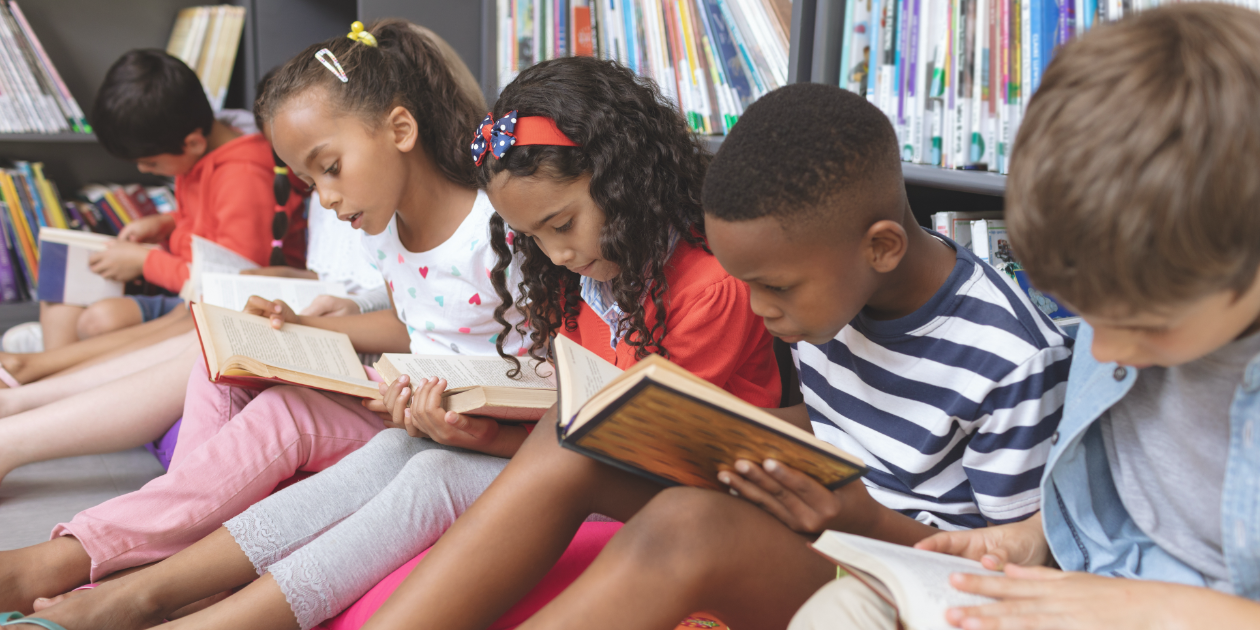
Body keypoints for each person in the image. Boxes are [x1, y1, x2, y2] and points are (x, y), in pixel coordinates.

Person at [0, 54, 784, 630]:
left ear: (623, 181)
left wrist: (489, 435)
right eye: (535, 239)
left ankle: (198, 616)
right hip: (567, 456)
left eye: (562, 228)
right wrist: (483, 424)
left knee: (433, 467)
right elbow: (575, 413)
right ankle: (147, 591)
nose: (555, 256)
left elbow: (648, 455)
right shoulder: (588, 274)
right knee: (398, 452)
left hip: (651, 489)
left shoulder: (705, 289)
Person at [315, 81, 1064, 630]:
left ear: (882, 246)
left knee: (687, 528)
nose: (761, 312)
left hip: (895, 575)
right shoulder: (833, 291)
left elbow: (1006, 571)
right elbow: (849, 427)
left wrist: (860, 515)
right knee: (573, 430)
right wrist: (741, 434)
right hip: (819, 516)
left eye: (772, 288)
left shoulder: (1009, 355)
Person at [0, 19, 523, 615]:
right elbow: (414, 325)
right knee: (225, 363)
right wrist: (299, 328)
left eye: (331, 168)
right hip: (402, 396)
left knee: (282, 415)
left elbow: (536, 369)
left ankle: (105, 561)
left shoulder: (496, 232)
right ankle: (135, 553)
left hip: (451, 422)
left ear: (401, 129)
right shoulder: (387, 228)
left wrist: (472, 419)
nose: (324, 198)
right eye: (308, 181)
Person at [792, 5, 1260, 629]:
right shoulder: (1135, 266)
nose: (1110, 351)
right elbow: (1127, 504)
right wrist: (1026, 537)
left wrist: (1152, 610)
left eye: (1146, 326)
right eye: (1091, 317)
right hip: (1084, 583)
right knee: (840, 614)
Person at [36, 49, 306, 350]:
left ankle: (55, 377)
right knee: (58, 297)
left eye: (151, 164)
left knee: (100, 321)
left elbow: (236, 278)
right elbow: (209, 222)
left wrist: (146, 262)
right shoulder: (197, 153)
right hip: (186, 281)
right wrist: (166, 223)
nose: (143, 170)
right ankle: (50, 374)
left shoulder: (244, 178)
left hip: (215, 298)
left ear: (193, 142)